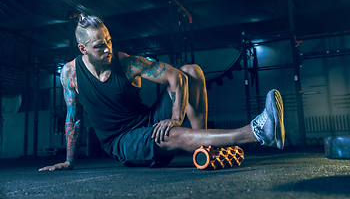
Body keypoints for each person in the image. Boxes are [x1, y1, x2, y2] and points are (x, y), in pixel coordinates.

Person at [39, 15, 285, 171]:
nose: (108, 49)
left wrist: (176, 115)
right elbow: (74, 118)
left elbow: (176, 77)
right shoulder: (69, 74)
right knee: (173, 133)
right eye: (99, 45)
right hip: (122, 141)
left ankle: (204, 147)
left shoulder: (126, 63)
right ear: (83, 48)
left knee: (191, 71)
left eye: (109, 40)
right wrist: (69, 161)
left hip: (147, 121)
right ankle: (257, 132)